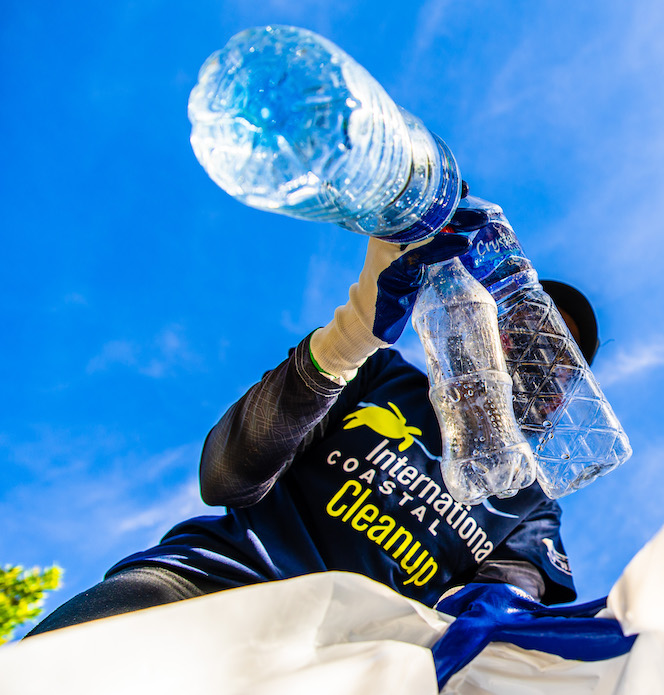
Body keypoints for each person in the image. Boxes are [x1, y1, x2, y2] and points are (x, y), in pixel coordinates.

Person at [26, 193, 599, 637]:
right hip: (209, 589)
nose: (538, 360)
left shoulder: (529, 501)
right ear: (482, 327)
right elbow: (224, 475)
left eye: (559, 357)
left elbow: (502, 612)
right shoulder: (379, 374)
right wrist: (349, 336)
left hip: (347, 663)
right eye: (526, 332)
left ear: (564, 398)